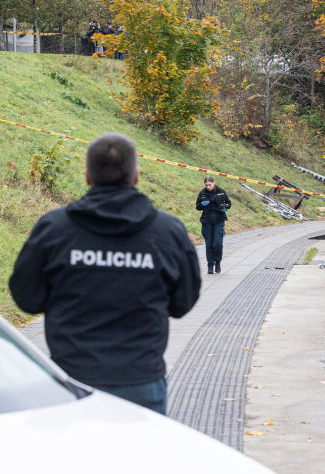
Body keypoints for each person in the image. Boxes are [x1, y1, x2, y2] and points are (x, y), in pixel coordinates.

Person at [8, 133, 201, 414]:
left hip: (72, 384)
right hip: (141, 385)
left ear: (87, 177)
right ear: (135, 177)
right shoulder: (167, 232)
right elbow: (182, 302)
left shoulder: (54, 229)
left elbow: (27, 298)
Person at [196, 175, 231, 274]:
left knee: (217, 243)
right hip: (207, 221)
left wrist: (226, 207)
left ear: (214, 183)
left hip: (219, 220)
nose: (208, 187)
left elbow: (228, 203)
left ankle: (218, 262)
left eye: (210, 185)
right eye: (206, 185)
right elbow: (197, 207)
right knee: (209, 244)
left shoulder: (221, 191)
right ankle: (210, 265)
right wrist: (202, 204)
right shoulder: (202, 193)